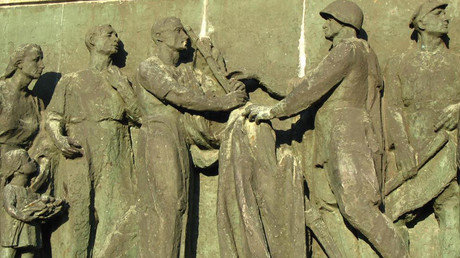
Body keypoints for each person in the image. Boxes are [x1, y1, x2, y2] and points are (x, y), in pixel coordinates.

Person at [244, 1, 409, 257]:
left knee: (356, 206)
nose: (325, 25)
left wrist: (273, 111)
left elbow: (312, 87)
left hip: (346, 134)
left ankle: (399, 252)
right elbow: (307, 85)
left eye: (329, 20)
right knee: (329, 206)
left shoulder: (348, 50)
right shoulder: (362, 51)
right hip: (336, 132)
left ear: (344, 22)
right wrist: (262, 78)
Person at [136, 17, 247, 257]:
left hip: (183, 138)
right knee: (167, 205)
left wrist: (235, 87)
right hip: (160, 136)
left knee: (181, 205)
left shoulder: (186, 71)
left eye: (185, 31)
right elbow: (179, 96)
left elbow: (210, 89)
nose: (185, 36)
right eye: (177, 31)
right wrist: (223, 103)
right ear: (159, 37)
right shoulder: (149, 67)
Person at [45, 24, 141, 258]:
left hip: (115, 149)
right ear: (92, 40)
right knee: (79, 215)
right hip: (81, 148)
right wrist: (59, 138)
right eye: (109, 34)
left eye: (116, 34)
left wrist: (122, 88)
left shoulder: (121, 78)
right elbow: (53, 116)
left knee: (119, 211)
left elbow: (139, 116)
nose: (116, 39)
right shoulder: (72, 80)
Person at [384, 1, 460, 256]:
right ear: (421, 22)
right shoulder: (399, 63)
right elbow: (393, 108)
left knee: (450, 208)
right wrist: (403, 148)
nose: (446, 18)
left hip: (446, 151)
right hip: (413, 154)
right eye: (438, 13)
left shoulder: (457, 63)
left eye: (445, 13)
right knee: (394, 213)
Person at [1, 149, 63, 258]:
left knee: (29, 253)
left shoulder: (30, 191)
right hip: (13, 230)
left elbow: (37, 202)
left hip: (30, 230)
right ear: (18, 169)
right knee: (8, 254)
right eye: (28, 160)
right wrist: (24, 216)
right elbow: (9, 207)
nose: (33, 161)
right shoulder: (10, 188)